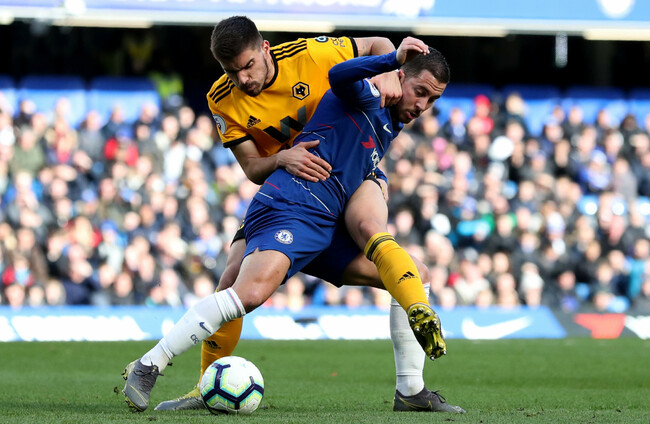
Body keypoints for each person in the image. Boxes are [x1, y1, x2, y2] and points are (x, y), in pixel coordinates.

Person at [123, 35, 464, 414]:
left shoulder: (391, 116)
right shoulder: (364, 92)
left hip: (326, 220)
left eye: (432, 100)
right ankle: (150, 365)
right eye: (420, 92)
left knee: (414, 273)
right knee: (245, 292)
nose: (422, 106)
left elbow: (372, 50)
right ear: (400, 78)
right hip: (294, 202)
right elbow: (339, 76)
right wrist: (388, 63)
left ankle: (411, 389)